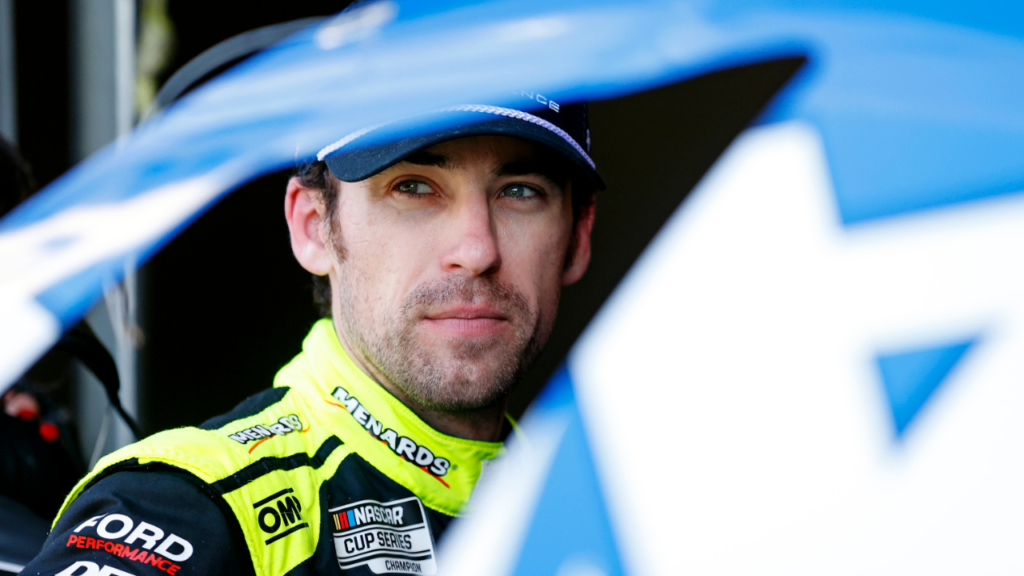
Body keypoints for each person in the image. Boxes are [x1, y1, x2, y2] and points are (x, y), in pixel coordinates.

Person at [21, 91, 602, 576]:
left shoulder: (615, 503)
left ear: (577, 236)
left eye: (521, 191)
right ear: (313, 228)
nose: (477, 250)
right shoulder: (183, 506)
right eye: (413, 187)